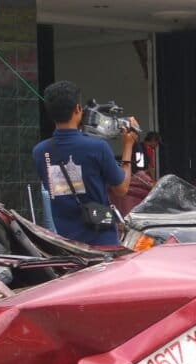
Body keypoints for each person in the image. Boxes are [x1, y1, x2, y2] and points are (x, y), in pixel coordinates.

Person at [32, 80, 137, 246]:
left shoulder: (40, 152)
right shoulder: (98, 147)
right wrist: (128, 146)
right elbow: (122, 189)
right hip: (102, 244)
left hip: (66, 246)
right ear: (78, 109)